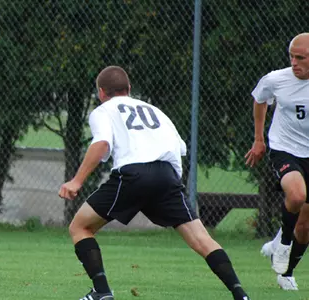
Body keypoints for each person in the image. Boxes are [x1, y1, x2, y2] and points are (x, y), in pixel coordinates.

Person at [59, 66, 249, 300]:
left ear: (101, 92)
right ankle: (240, 295)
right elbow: (180, 148)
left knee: (80, 227)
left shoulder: (103, 110)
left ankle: (102, 292)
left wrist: (77, 181)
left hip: (133, 174)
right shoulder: (154, 110)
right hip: (167, 175)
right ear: (128, 89)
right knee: (202, 239)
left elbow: (101, 144)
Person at [248, 32, 309, 291]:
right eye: (291, 56)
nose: (294, 62)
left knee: (305, 227)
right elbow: (260, 99)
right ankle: (283, 243)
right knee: (296, 196)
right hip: (285, 148)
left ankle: (286, 271)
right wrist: (259, 139)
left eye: (301, 58)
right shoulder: (276, 79)